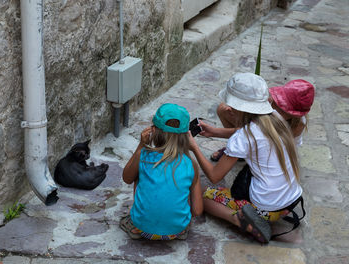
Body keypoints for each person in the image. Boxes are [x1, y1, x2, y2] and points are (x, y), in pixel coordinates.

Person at [189, 73, 303, 243]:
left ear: (237, 107)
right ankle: (268, 216)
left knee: (201, 196)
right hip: (290, 200)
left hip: (266, 206)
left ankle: (241, 219)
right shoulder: (276, 119)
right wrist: (215, 131)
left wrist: (193, 147)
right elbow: (252, 135)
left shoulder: (243, 137)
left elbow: (214, 176)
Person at [120, 103, 203, 240]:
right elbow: (197, 210)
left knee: (139, 174)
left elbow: (127, 178)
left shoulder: (144, 156)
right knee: (184, 183)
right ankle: (174, 224)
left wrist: (141, 145)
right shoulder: (191, 164)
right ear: (186, 135)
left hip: (143, 229)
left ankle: (139, 224)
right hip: (176, 231)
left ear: (153, 130)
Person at [207, 79, 315, 161]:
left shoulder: (298, 124)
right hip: (259, 135)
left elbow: (248, 133)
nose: (274, 106)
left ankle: (240, 150)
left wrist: (214, 132)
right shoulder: (272, 102)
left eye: (282, 106)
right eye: (278, 101)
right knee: (224, 109)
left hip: (273, 150)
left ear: (292, 114)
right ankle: (239, 149)